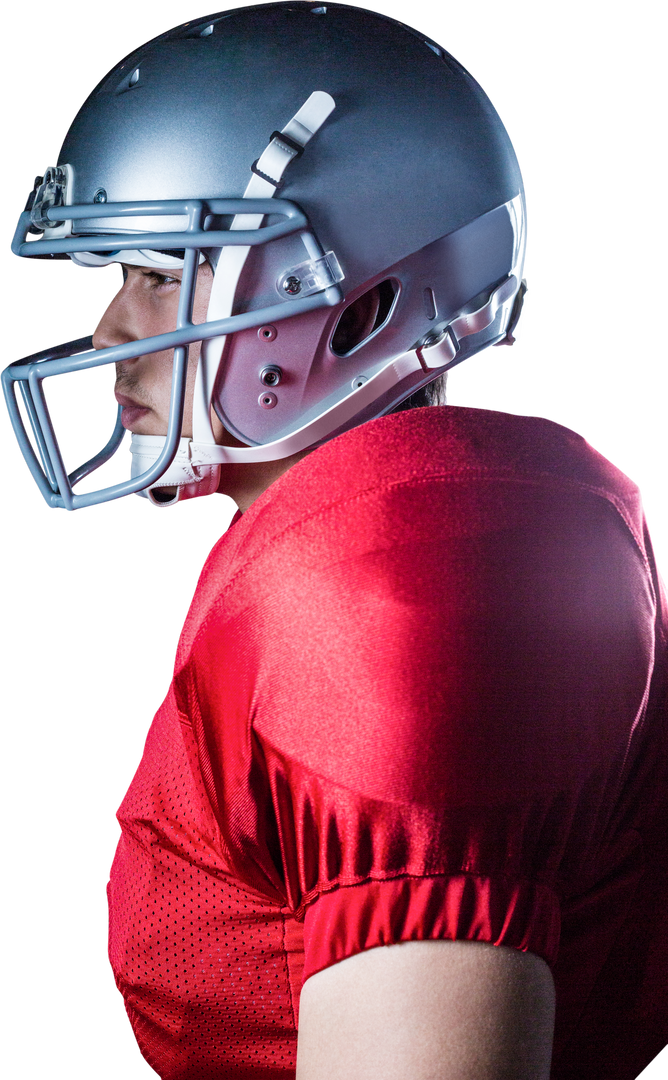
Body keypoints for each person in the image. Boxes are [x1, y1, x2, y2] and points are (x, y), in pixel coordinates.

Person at [2, 3, 665, 1078]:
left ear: (359, 300)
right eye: (116, 280)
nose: (112, 331)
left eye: (163, 275)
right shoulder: (361, 539)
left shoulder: (404, 587)